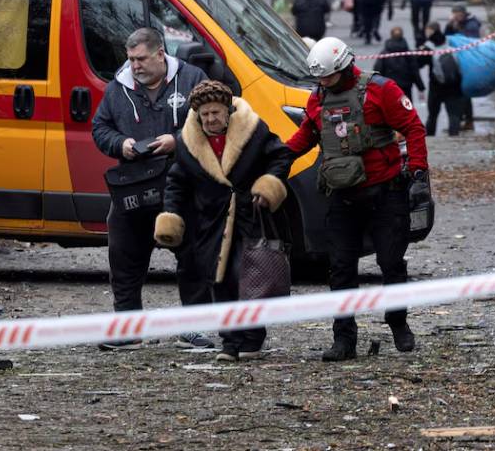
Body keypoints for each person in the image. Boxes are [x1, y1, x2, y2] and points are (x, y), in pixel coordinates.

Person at [286, 37, 429, 362]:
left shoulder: (383, 90)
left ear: (344, 67)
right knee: (340, 269)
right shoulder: (319, 98)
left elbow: (413, 128)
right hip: (342, 198)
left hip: (386, 194)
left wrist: (417, 171)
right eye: (318, 79)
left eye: (327, 77)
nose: (322, 83)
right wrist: (278, 160)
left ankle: (398, 323)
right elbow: (306, 135)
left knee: (391, 264)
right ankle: (344, 339)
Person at [154, 81, 292, 362]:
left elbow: (280, 157)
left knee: (249, 277)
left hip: (248, 218)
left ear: (227, 111)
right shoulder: (187, 142)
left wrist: (267, 187)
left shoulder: (254, 131)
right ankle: (230, 342)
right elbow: (176, 182)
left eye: (215, 112)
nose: (210, 119)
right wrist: (171, 215)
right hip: (210, 224)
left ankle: (252, 338)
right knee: (219, 281)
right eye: (204, 114)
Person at [92, 27, 210, 350]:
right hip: (132, 186)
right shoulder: (119, 88)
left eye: (141, 58)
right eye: (131, 60)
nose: (135, 66)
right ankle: (127, 330)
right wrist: (122, 144)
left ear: (160, 54)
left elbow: (214, 122)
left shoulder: (192, 79)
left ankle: (195, 328)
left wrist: (178, 141)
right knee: (123, 258)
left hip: (180, 184)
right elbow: (99, 127)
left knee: (193, 258)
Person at [420, 22, 465, 136]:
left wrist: (420, 51)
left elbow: (419, 63)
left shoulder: (429, 46)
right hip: (454, 84)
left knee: (433, 114)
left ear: (430, 31)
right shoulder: (450, 41)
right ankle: (454, 137)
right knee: (453, 114)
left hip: (436, 85)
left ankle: (430, 137)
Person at [443, 5, 480, 130]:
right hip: (458, 61)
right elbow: (446, 38)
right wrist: (449, 25)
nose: (456, 17)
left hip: (467, 62)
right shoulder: (457, 23)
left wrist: (457, 28)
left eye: (457, 14)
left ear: (463, 14)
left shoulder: (472, 25)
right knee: (459, 94)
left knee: (464, 94)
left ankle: (467, 121)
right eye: (454, 14)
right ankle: (462, 121)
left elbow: (466, 41)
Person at [373, 26, 425, 100]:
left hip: (389, 87)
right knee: (406, 109)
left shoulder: (384, 53)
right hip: (405, 88)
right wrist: (421, 88)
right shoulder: (408, 54)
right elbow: (415, 72)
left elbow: (378, 70)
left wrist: (375, 88)